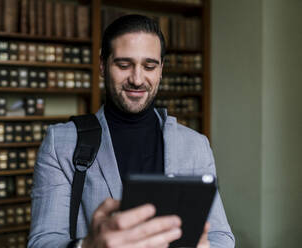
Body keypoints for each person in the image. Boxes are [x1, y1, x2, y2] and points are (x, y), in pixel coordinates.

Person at [28, 15, 235, 248]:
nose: (137, 79)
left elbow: (221, 237)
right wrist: (87, 246)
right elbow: (42, 242)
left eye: (149, 66)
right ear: (102, 65)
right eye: (124, 65)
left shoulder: (196, 145)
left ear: (161, 70)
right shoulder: (61, 143)